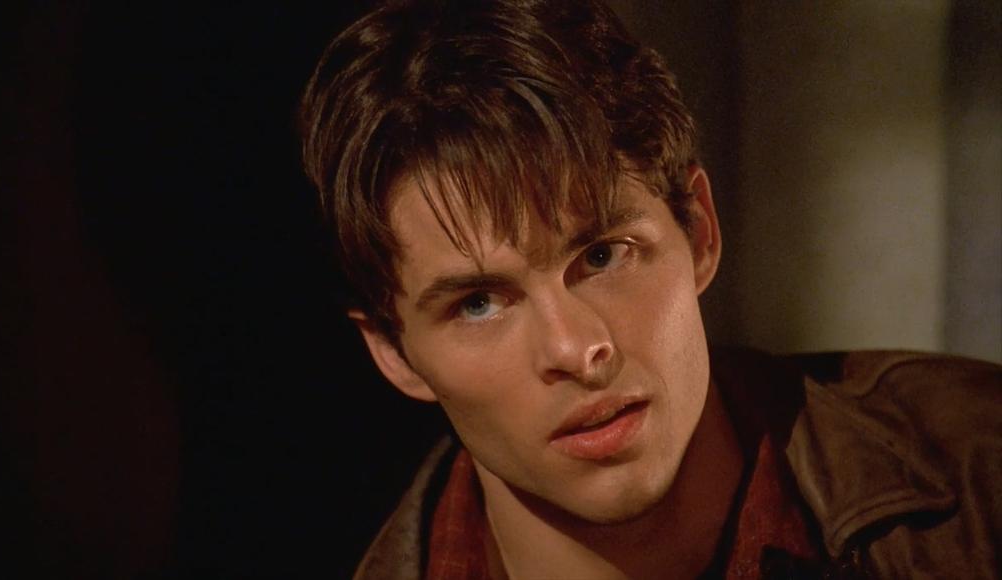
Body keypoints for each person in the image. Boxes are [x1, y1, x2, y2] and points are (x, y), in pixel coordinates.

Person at [298, 0, 1002, 577]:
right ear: (394, 352)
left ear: (699, 231)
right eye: (479, 304)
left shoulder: (981, 473)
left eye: (603, 256)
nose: (576, 349)